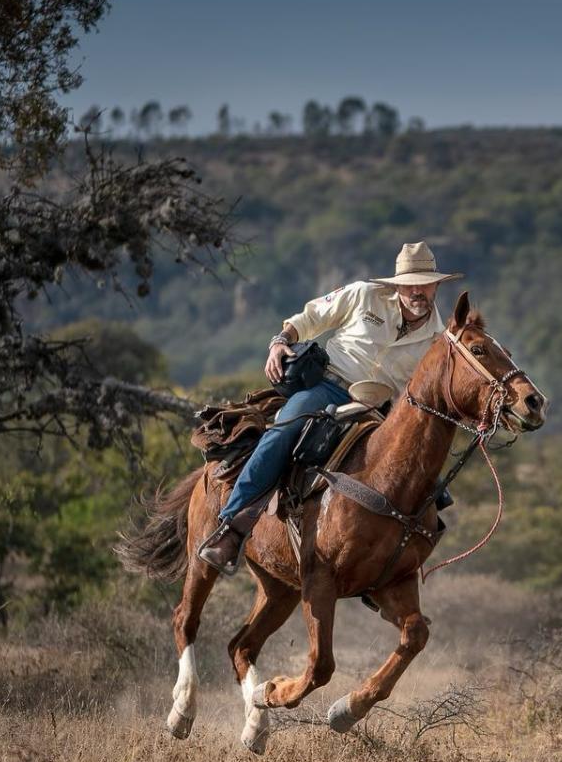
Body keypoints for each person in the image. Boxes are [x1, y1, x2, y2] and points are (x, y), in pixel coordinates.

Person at [195, 241, 463, 574]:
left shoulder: (439, 337)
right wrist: (280, 342)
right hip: (328, 388)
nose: (418, 291)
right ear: (398, 284)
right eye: (411, 283)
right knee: (284, 431)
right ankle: (231, 528)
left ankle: (391, 567)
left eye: (425, 283)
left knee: (430, 488)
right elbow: (312, 317)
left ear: (436, 284)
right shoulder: (364, 294)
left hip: (379, 411)